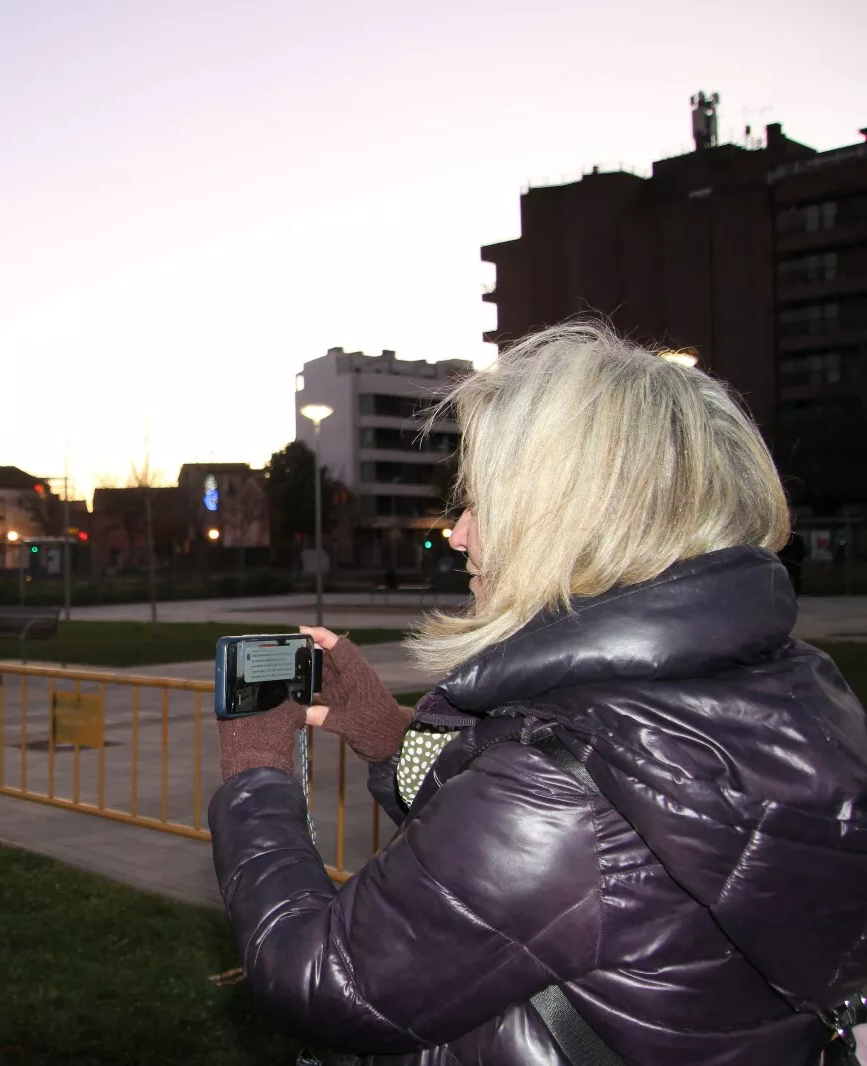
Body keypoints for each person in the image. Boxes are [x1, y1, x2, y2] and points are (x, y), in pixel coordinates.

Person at [209, 322, 867, 1064]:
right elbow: (535, 886)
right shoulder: (800, 688)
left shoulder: (557, 792)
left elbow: (321, 980)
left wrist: (256, 774)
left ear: (574, 524)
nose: (457, 535)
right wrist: (393, 737)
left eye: (480, 504)